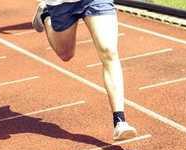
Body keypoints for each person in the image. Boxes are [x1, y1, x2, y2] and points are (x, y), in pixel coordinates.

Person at [32, 0, 137, 141]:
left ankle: (120, 121)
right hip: (61, 3)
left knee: (109, 51)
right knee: (65, 54)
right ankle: (45, 15)